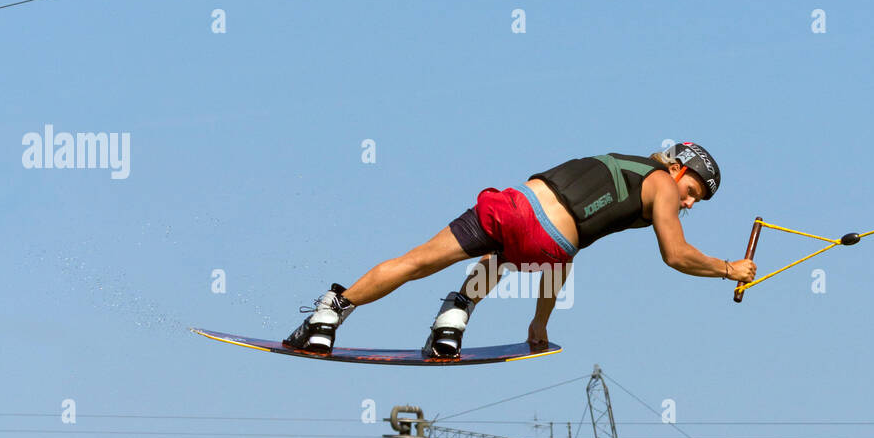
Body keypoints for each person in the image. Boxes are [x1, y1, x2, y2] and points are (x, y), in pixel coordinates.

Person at [282, 142, 756, 357]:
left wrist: (726, 268)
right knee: (538, 257)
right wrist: (728, 268)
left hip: (514, 209)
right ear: (678, 168)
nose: (689, 200)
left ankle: (329, 315)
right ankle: (454, 320)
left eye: (696, 199)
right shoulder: (663, 187)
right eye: (693, 189)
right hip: (551, 249)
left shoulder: (630, 163)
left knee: (416, 262)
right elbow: (676, 254)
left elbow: (674, 252)